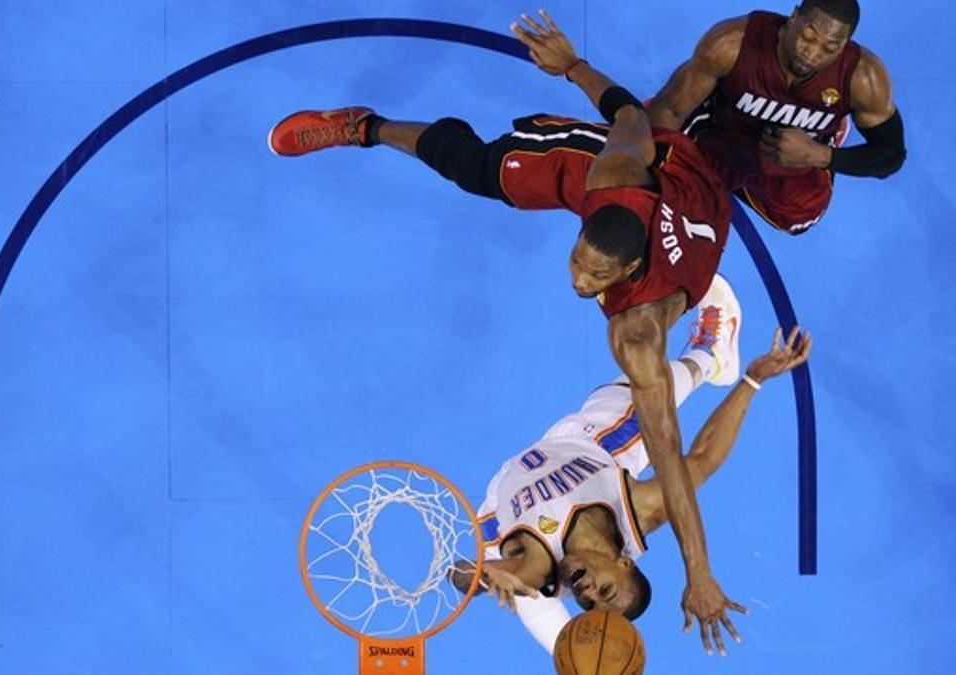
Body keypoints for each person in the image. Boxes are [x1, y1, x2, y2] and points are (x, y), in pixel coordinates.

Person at [269, 9, 741, 649]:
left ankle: (709, 353)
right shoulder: (612, 176)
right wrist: (571, 64)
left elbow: (677, 463)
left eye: (595, 276)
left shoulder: (634, 331)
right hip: (678, 193)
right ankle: (365, 126)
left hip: (690, 228)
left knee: (649, 396)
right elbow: (628, 118)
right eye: (580, 260)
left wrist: (699, 573)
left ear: (627, 270)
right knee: (489, 165)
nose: (578, 281)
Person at [456, 303, 812, 657]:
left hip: (498, 513)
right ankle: (709, 355)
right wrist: (753, 379)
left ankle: (569, 654)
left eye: (588, 604)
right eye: (605, 591)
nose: (588, 593)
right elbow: (703, 460)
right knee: (647, 393)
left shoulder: (537, 569)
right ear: (624, 563)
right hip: (586, 445)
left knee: (531, 602)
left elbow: (458, 574)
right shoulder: (639, 511)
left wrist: (482, 577)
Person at [648, 0, 905, 235]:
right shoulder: (731, 43)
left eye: (830, 48)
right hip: (723, 134)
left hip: (794, 156)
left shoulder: (863, 77)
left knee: (798, 219)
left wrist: (818, 155)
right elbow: (670, 109)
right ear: (793, 17)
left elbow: (891, 155)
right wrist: (656, 169)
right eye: (807, 37)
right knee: (650, 165)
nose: (812, 54)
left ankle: (830, 129)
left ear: (846, 45)